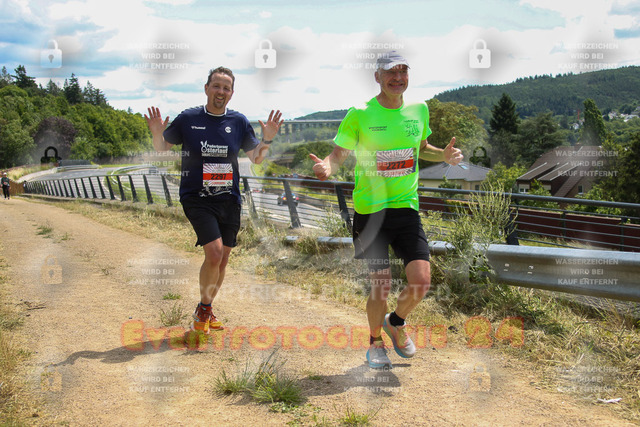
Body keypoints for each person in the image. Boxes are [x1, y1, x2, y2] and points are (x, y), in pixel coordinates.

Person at [309, 52, 462, 369]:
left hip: (406, 208)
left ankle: (396, 321)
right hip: (371, 213)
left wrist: (444, 156)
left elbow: (422, 148)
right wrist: (327, 166)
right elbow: (338, 154)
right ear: (377, 77)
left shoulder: (419, 110)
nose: (397, 77)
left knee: (421, 281)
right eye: (390, 72)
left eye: (403, 71)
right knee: (381, 285)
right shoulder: (360, 114)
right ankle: (375, 342)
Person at [145, 66, 283, 334]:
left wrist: (267, 139)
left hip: (229, 199)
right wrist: (156, 133)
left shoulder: (238, 122)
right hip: (197, 198)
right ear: (206, 88)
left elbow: (256, 158)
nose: (221, 91)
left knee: (223, 260)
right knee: (215, 252)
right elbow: (162, 148)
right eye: (216, 86)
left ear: (232, 93)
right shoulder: (188, 118)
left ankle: (205, 308)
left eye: (226, 88)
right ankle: (204, 310)